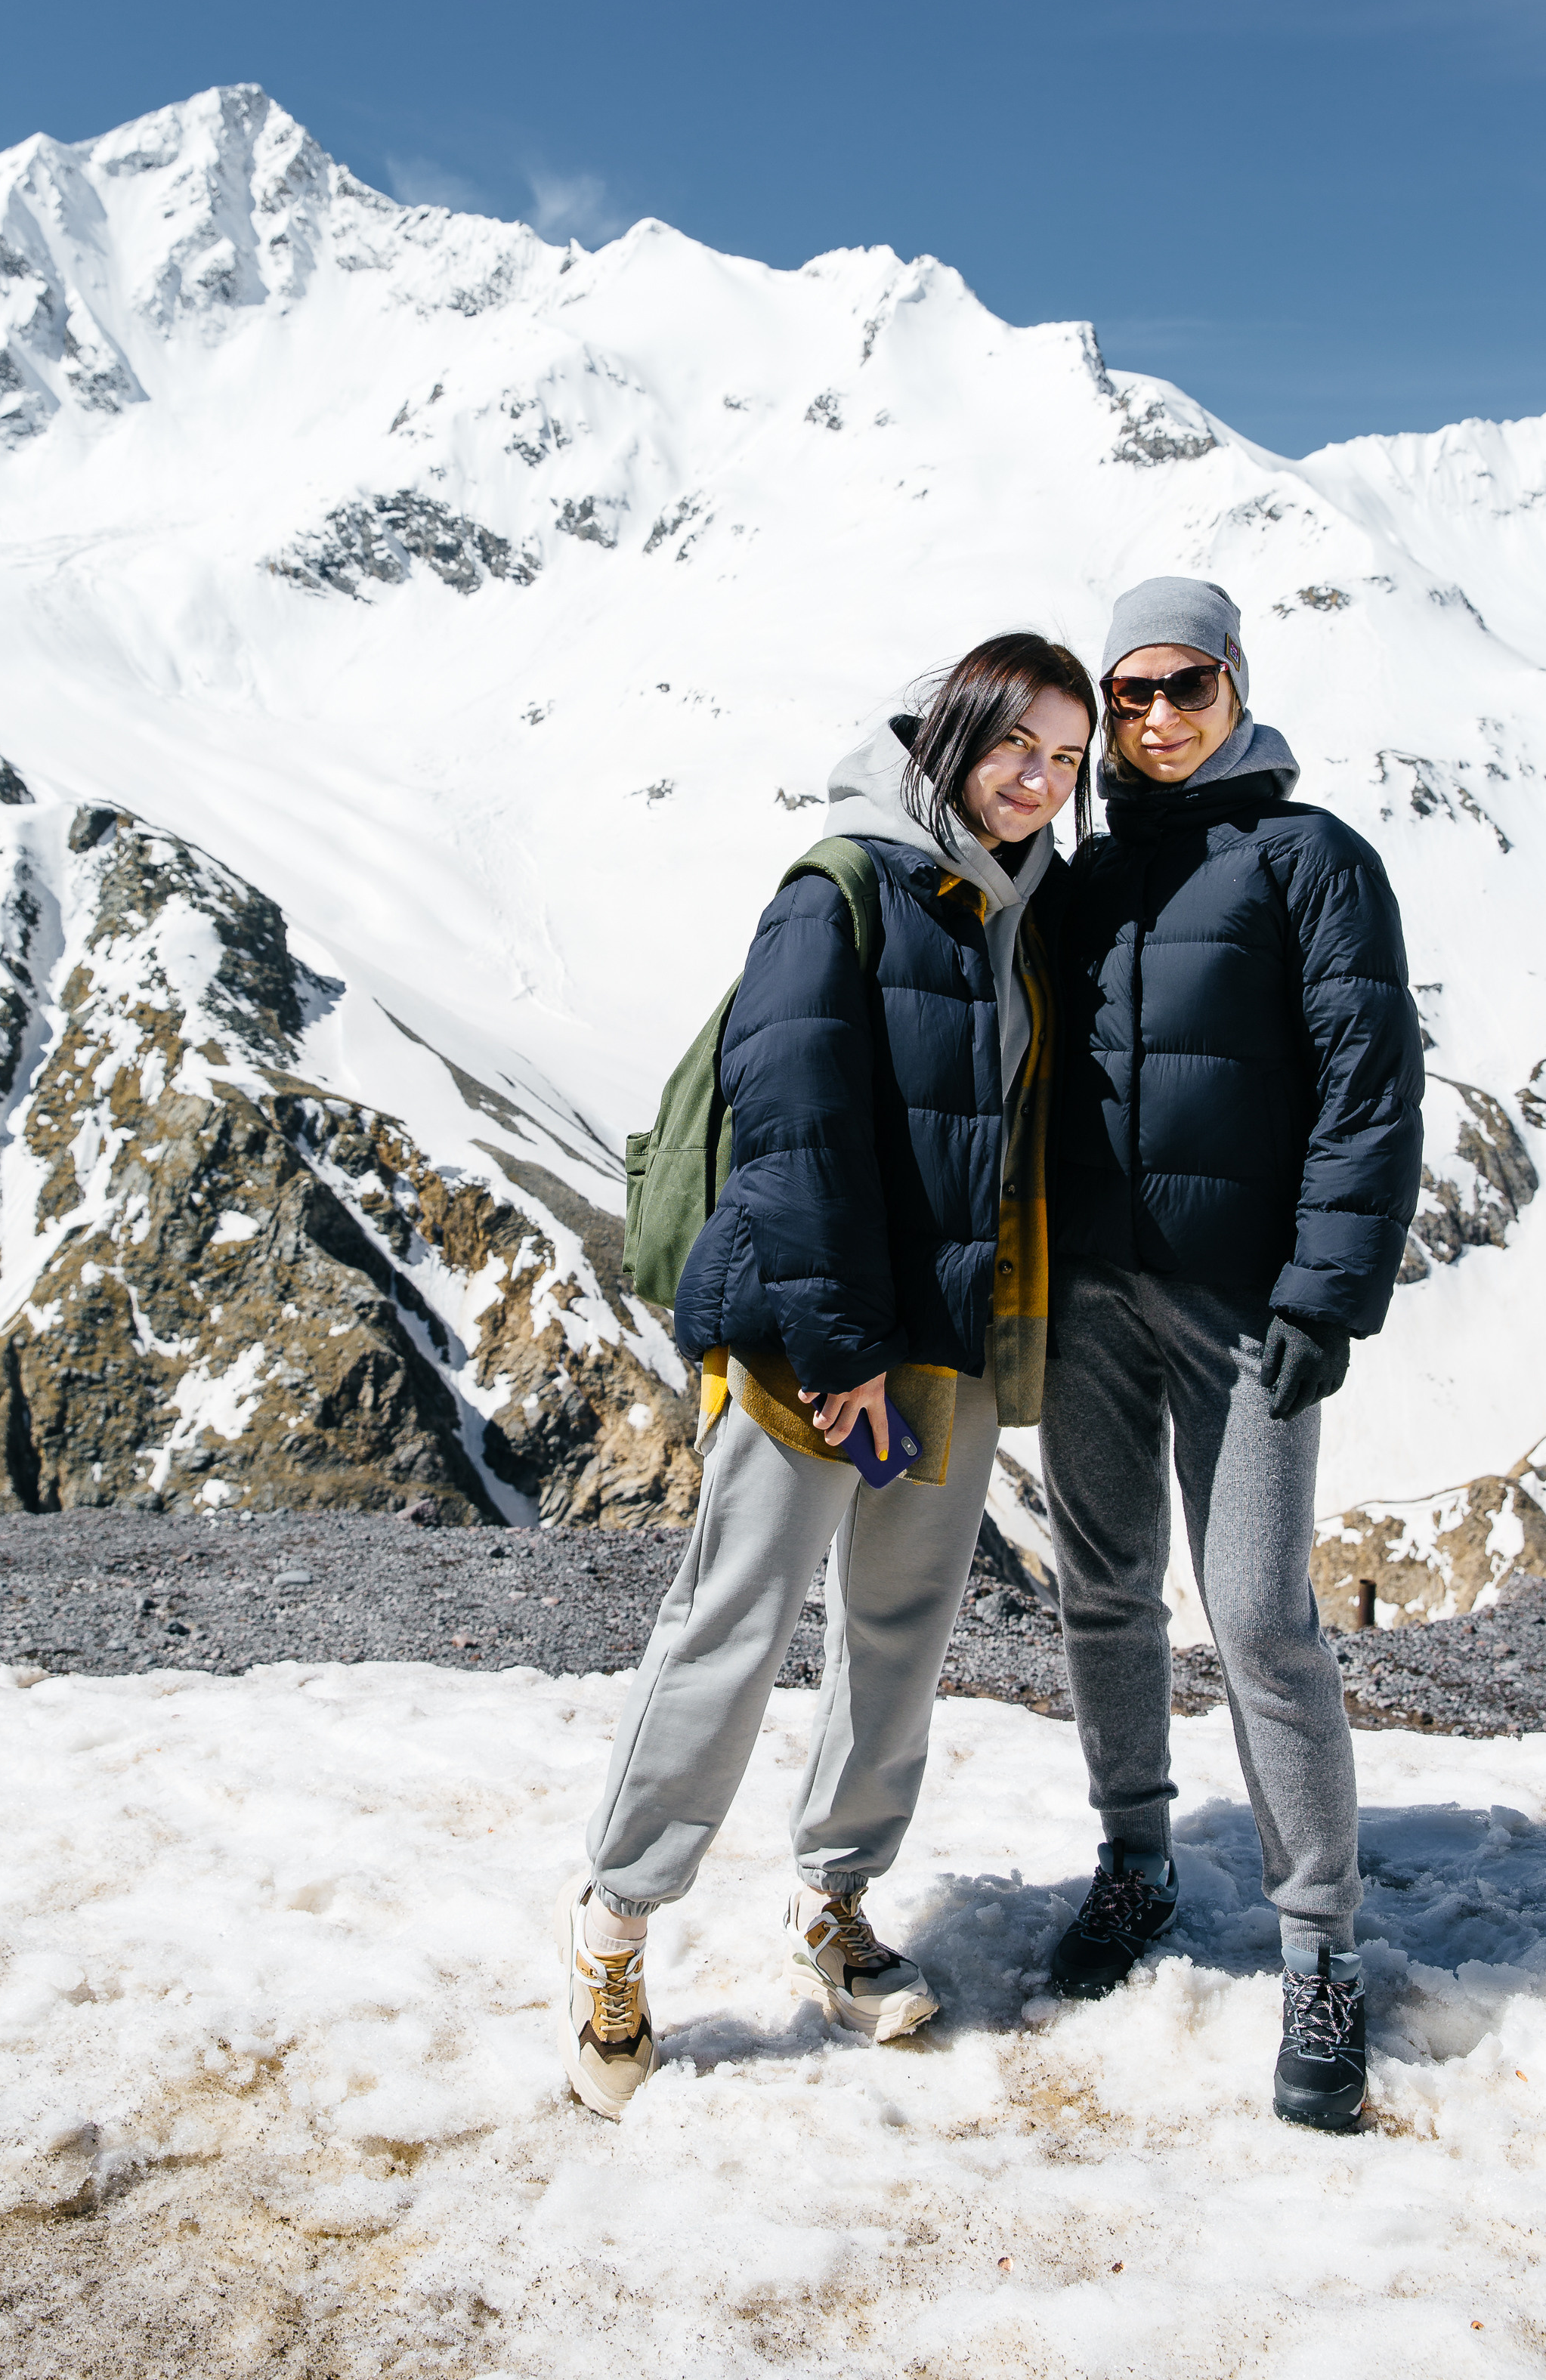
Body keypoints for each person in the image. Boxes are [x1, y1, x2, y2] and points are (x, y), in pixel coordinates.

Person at [557, 632, 1099, 2117]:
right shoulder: (843, 885)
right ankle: (613, 1918)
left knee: (900, 1632)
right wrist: (841, 1349)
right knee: (730, 1620)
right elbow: (789, 1125)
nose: (1039, 782)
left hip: (948, 1339)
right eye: (1016, 747)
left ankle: (836, 1903)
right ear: (947, 734)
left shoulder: (1016, 908)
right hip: (812, 1335)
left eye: (1064, 759)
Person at [1040, 576, 1423, 2133]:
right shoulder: (1080, 882)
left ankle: (1318, 1948)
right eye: (1125, 696)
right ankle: (1134, 1864)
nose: (1149, 718)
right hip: (1083, 1301)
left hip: (1246, 1305)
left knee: (1259, 1612)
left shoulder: (1311, 859)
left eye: (1178, 687)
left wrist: (1327, 1292)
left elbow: (1368, 1080)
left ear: (1233, 684)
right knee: (1101, 1590)